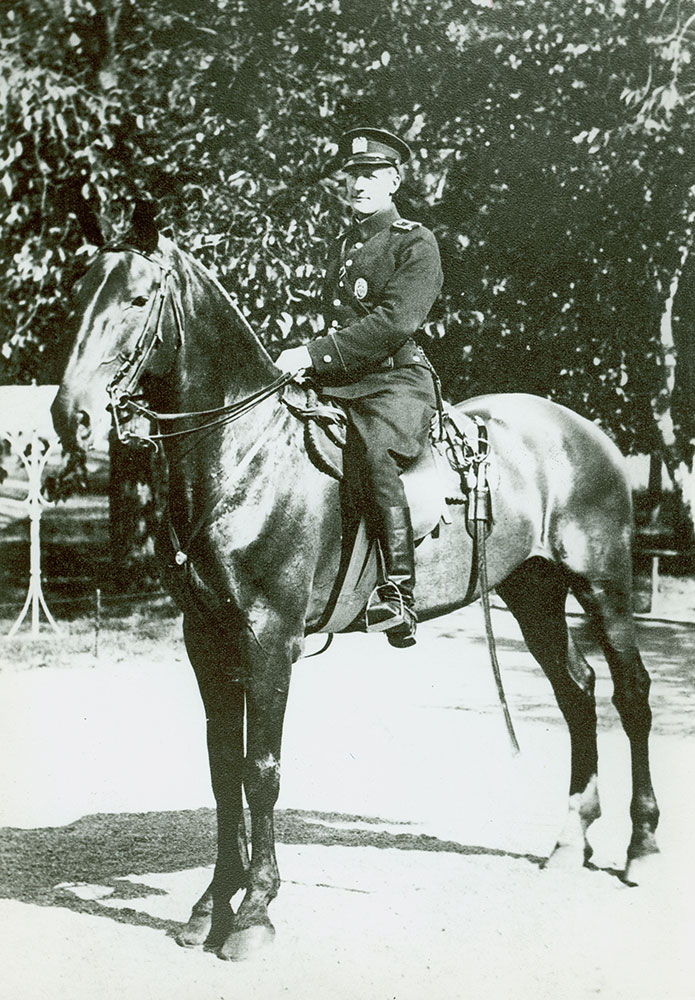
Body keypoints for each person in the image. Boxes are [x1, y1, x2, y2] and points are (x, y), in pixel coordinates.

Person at [276, 126, 443, 647]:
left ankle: (398, 591)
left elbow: (395, 322)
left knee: (373, 451)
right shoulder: (348, 243)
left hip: (395, 381)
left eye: (370, 175)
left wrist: (315, 354)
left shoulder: (414, 241)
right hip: (342, 381)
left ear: (394, 180)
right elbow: (340, 323)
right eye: (352, 175)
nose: (358, 184)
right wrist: (309, 361)